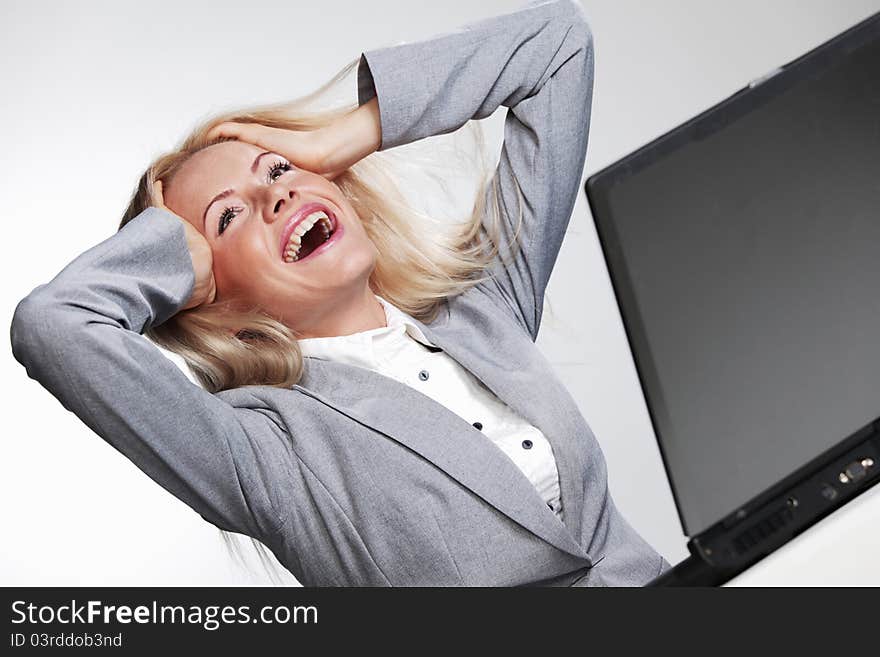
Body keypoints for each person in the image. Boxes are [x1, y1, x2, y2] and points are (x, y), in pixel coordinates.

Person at [10, 0, 672, 586]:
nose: (277, 192)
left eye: (277, 168)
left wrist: (344, 135)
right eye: (228, 217)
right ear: (208, 296)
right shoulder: (264, 448)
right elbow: (52, 324)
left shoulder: (480, 307)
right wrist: (171, 252)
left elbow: (557, 43)